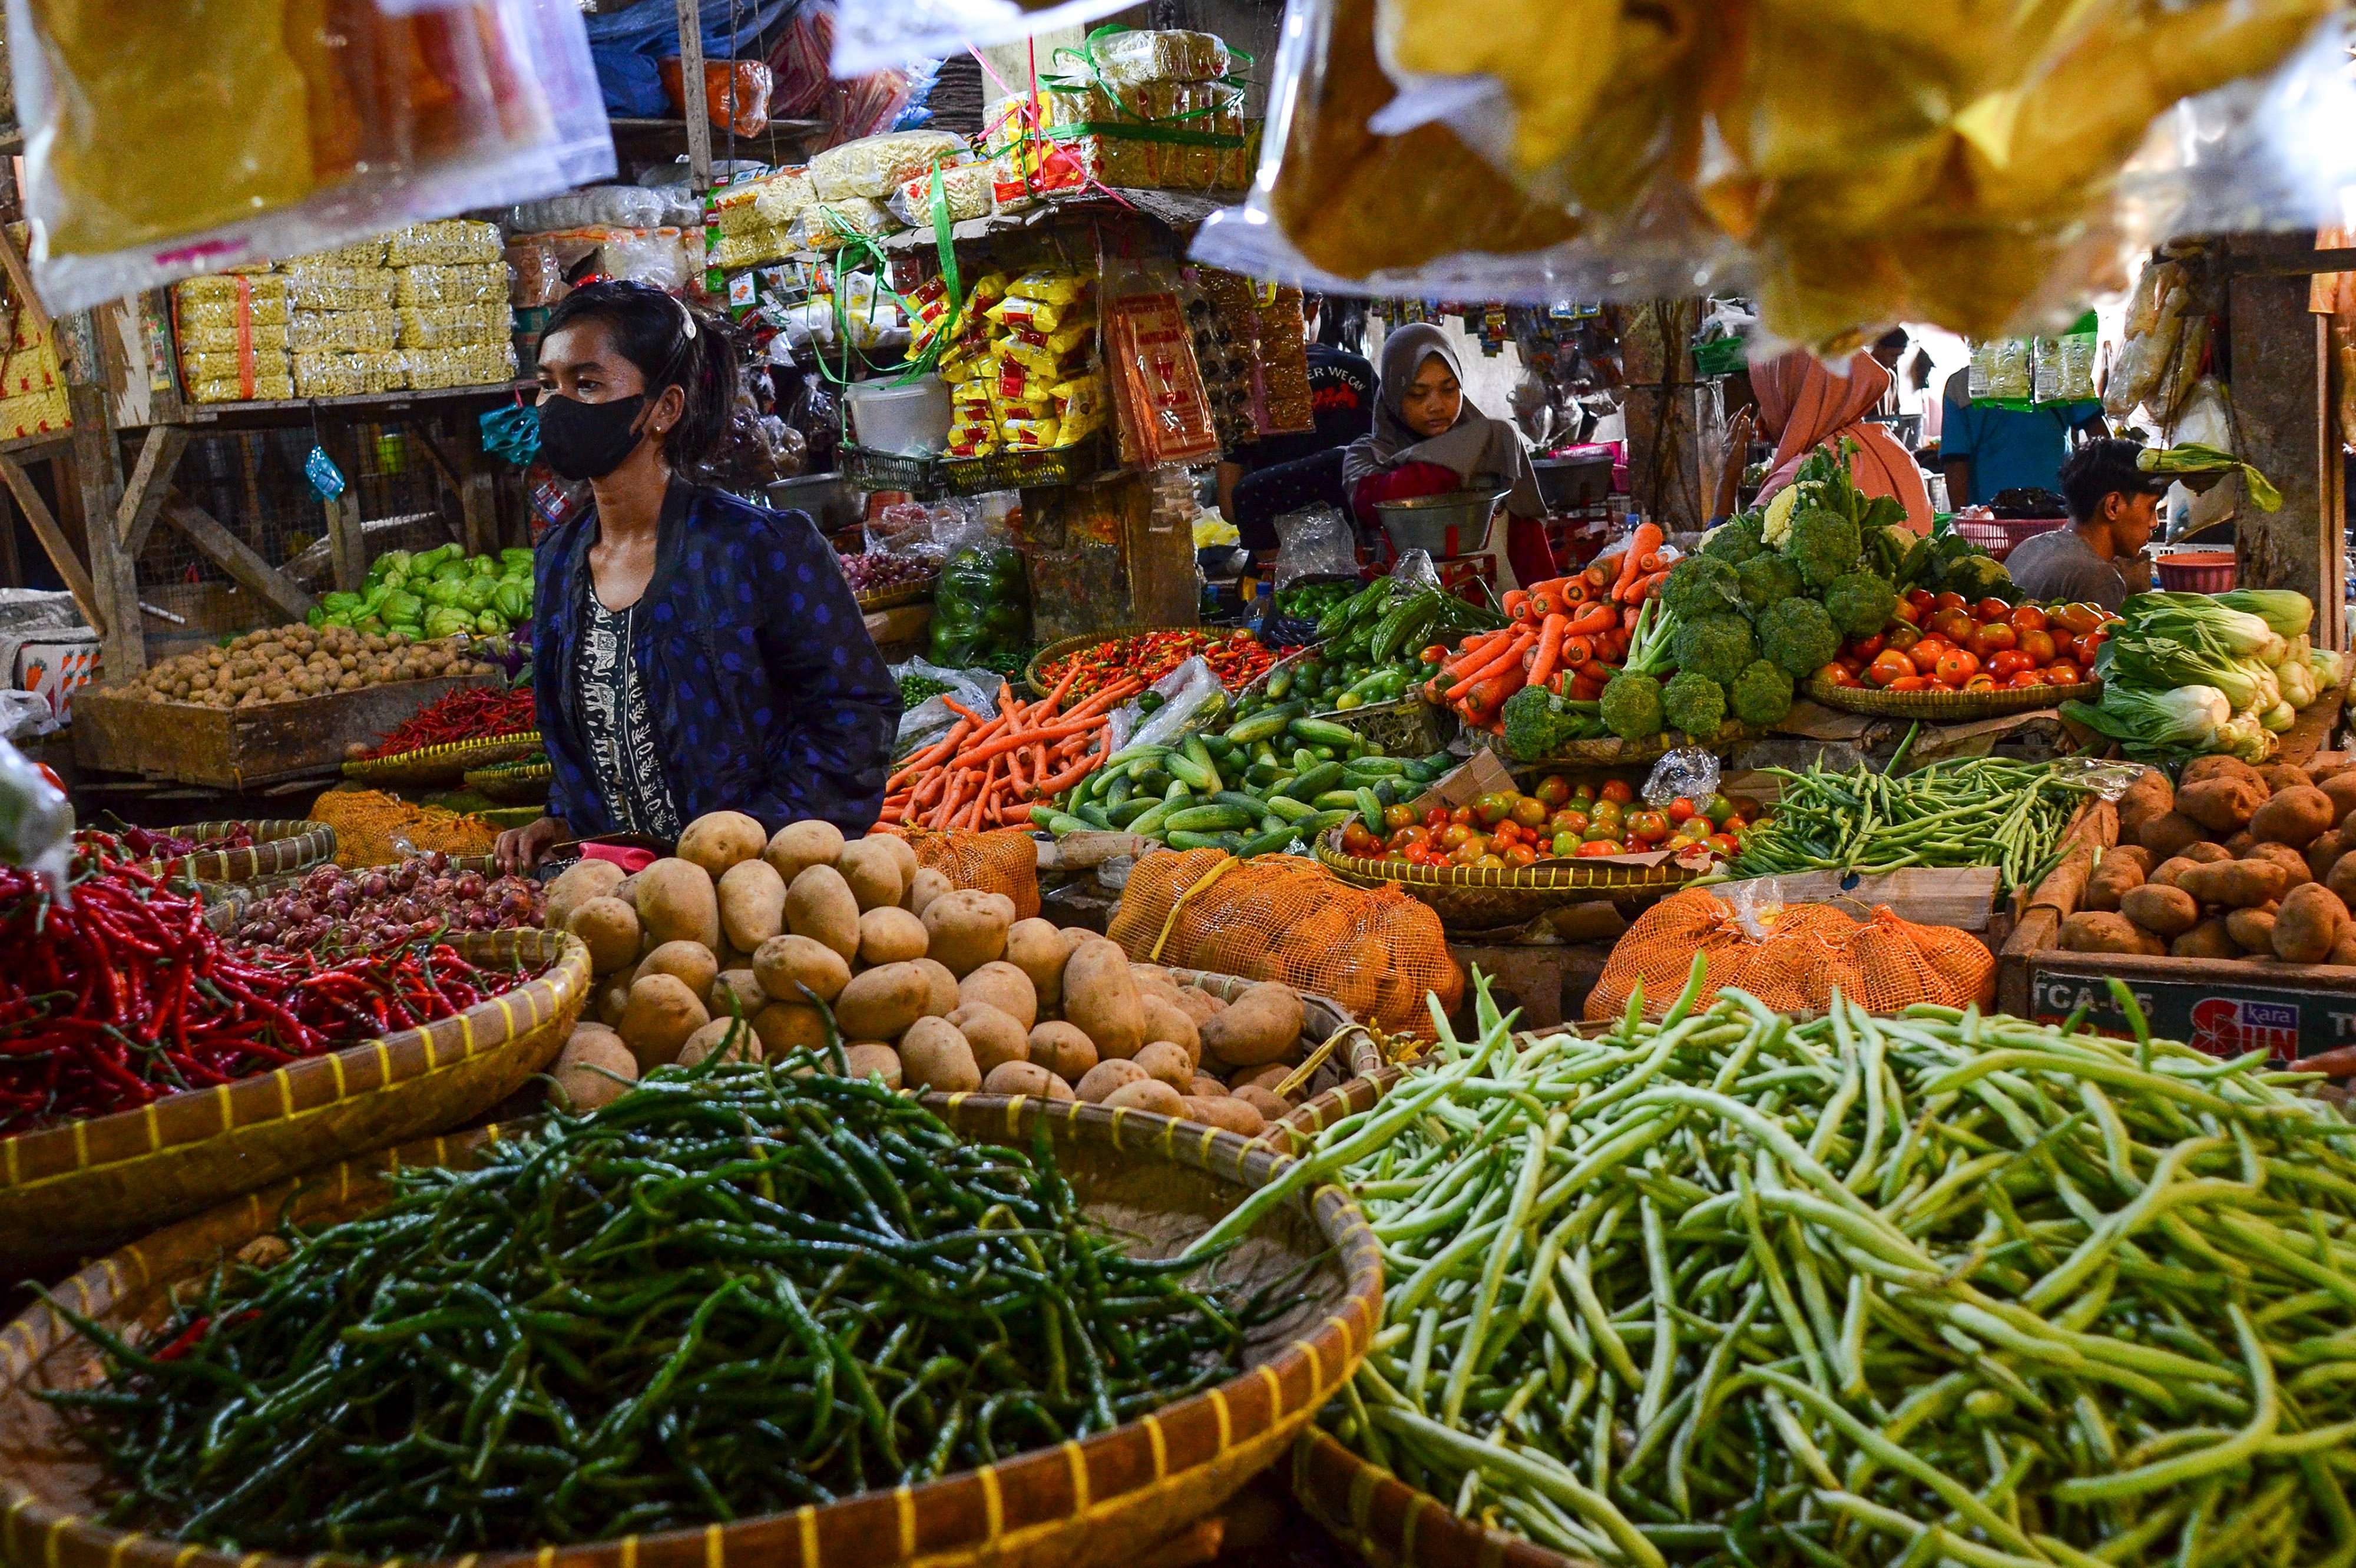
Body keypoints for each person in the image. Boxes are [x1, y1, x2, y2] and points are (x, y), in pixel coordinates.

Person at [495, 280, 900, 872]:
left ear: (665, 408)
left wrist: (758, 839)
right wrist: (562, 818)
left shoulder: (758, 547)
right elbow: (580, 730)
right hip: (614, 894)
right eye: (547, 385)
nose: (555, 406)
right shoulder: (558, 558)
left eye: (586, 384)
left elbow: (854, 713)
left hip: (758, 893)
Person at [1342, 322, 1555, 586]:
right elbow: (1375, 507)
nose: (1436, 406)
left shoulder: (1492, 449)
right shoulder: (1366, 455)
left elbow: (1529, 545)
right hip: (1409, 612)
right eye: (1418, 394)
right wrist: (1461, 455)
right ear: (1393, 395)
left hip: (1501, 609)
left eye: (1449, 389)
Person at [1216, 294, 1377, 563]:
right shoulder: (1359, 370)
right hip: (1361, 555)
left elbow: (1230, 508)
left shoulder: (1241, 389)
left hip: (1280, 561)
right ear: (1313, 311)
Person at [1750, 348, 1935, 532]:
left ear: (1790, 399)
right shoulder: (1895, 450)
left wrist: (1726, 481)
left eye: (1765, 402)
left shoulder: (1797, 480)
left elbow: (1733, 550)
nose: (1759, 420)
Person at [2003, 437, 2165, 611]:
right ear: (2113, 506)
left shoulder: (2030, 547)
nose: (2154, 523)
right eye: (2151, 508)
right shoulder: (2097, 578)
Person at [1940, 366, 2106, 508]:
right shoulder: (2063, 370)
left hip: (1993, 521)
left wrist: (1962, 522)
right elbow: (2104, 442)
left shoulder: (1960, 386)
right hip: (2057, 515)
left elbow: (1956, 463)